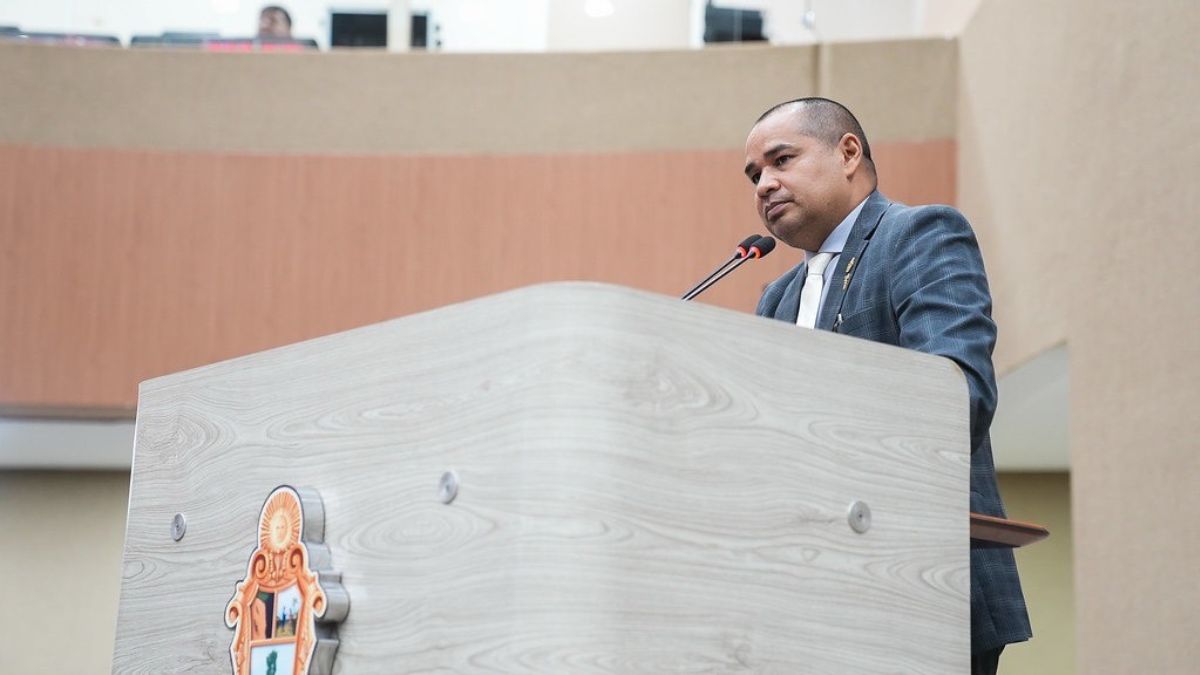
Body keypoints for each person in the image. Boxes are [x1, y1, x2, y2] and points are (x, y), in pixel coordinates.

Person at [744, 97, 1031, 674]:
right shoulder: (777, 297)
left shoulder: (919, 234)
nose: (764, 184)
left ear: (848, 153)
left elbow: (959, 395)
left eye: (781, 160)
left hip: (923, 583)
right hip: (809, 592)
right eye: (754, 175)